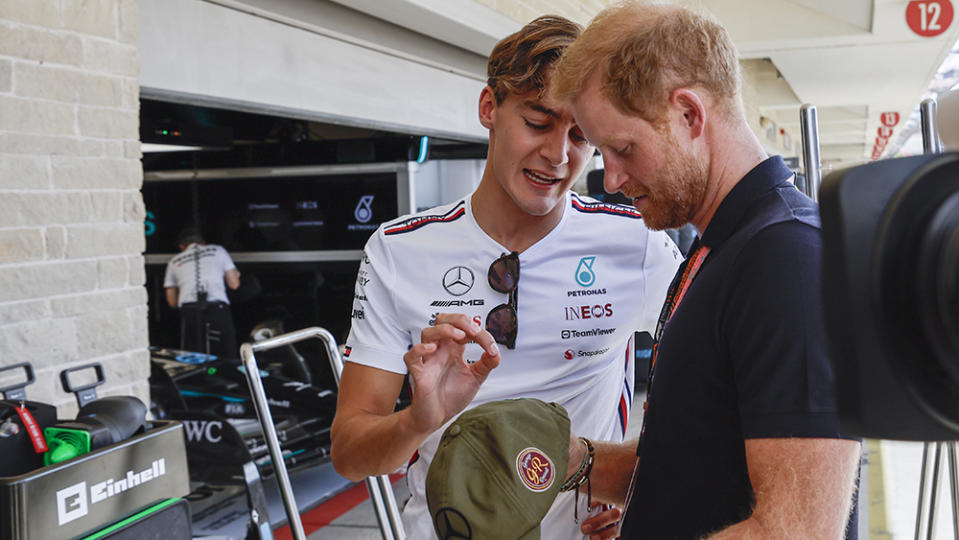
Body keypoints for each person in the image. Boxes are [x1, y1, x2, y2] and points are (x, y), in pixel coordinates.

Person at [329, 15, 681, 540]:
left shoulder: (637, 243)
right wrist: (418, 420)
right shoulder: (398, 250)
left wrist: (643, 499)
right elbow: (350, 455)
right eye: (538, 123)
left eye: (581, 135)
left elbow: (712, 401)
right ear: (489, 108)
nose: (558, 156)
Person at [544, 3, 862, 538]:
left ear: (689, 115)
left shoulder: (787, 258)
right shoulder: (718, 249)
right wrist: (565, 461)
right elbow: (684, 467)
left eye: (622, 149)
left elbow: (796, 531)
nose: (612, 180)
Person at [164, 227, 241, 359]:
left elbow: (172, 301)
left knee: (192, 356)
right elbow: (234, 284)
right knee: (226, 352)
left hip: (189, 312)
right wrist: (237, 274)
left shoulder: (174, 261)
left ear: (182, 247)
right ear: (203, 243)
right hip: (217, 309)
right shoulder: (218, 250)